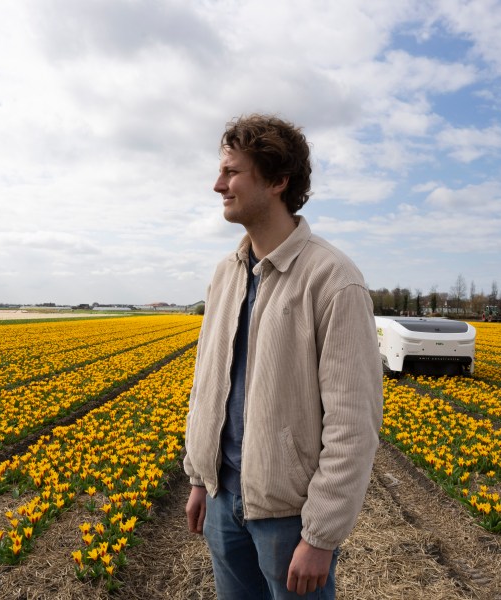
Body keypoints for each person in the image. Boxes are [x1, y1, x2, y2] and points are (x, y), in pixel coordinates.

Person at [183, 113, 383, 599]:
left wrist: (321, 534)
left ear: (277, 180)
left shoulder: (333, 280)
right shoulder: (226, 273)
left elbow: (353, 423)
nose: (217, 185)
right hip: (222, 497)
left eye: (232, 172)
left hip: (289, 517)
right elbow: (207, 384)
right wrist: (198, 475)